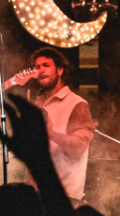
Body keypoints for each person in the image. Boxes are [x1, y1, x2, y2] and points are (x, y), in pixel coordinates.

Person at [26, 47, 95, 205]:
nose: (41, 70)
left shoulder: (77, 104)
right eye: (37, 67)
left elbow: (79, 146)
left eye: (46, 65)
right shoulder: (37, 103)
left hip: (63, 194)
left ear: (60, 70)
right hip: (35, 192)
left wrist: (50, 133)